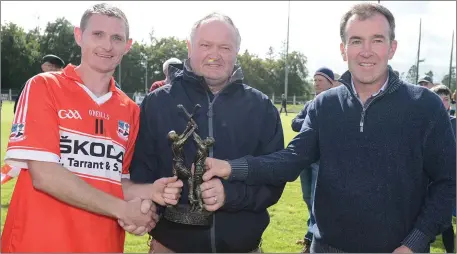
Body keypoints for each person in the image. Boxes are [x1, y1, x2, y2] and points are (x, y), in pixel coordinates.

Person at [203, 3, 456, 253]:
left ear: (392, 47)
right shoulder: (325, 104)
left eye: (377, 40)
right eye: (356, 41)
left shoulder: (425, 106)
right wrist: (230, 167)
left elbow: (448, 181)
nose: (366, 51)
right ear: (343, 50)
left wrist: (414, 243)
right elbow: (291, 160)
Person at [1, 3, 182, 252]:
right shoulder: (44, 87)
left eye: (116, 38)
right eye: (98, 34)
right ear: (79, 35)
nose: (107, 46)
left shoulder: (129, 110)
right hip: (38, 243)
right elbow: (45, 175)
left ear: (127, 46)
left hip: (102, 245)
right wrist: (123, 210)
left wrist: (150, 191)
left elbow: (117, 181)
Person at [127, 12, 285, 253]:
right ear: (190, 47)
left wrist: (229, 194)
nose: (215, 54)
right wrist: (151, 201)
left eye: (225, 47)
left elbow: (274, 178)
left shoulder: (261, 107)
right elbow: (140, 172)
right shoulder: (156, 103)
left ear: (237, 51)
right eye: (205, 45)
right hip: (169, 247)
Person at [292, 67, 335, 253]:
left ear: (330, 83)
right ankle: (311, 233)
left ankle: (312, 239)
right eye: (315, 79)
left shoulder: (334, 103)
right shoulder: (311, 103)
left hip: (322, 160)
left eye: (320, 80)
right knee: (308, 198)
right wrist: (312, 124)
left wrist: (311, 125)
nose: (316, 83)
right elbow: (295, 123)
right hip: (305, 160)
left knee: (318, 201)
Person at [430, 84, 456, 254]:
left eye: (445, 99)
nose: (442, 102)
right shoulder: (426, 123)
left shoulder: (454, 123)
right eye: (438, 99)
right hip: (431, 179)